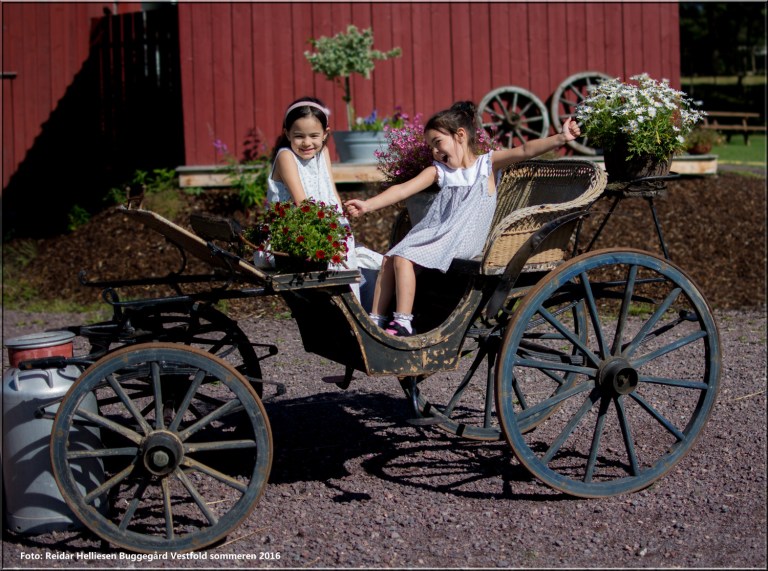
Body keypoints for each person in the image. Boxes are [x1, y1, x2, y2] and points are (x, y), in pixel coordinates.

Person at [344, 100, 581, 336]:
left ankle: (403, 321)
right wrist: (367, 205)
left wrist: (560, 138)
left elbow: (525, 150)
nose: (435, 152)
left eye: (437, 143)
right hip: (439, 234)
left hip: (465, 239)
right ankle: (376, 320)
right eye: (431, 147)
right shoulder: (438, 171)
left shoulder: (486, 165)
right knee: (390, 258)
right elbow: (404, 189)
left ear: (460, 135)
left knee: (403, 259)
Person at [257, 97, 381, 302]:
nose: (307, 142)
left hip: (324, 229)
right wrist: (328, 237)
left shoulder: (322, 152)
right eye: (299, 136)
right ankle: (352, 309)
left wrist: (343, 211)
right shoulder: (285, 156)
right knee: (347, 264)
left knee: (379, 263)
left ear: (326, 134)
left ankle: (369, 316)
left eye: (314, 135)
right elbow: (302, 204)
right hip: (297, 235)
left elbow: (330, 191)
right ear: (286, 133)